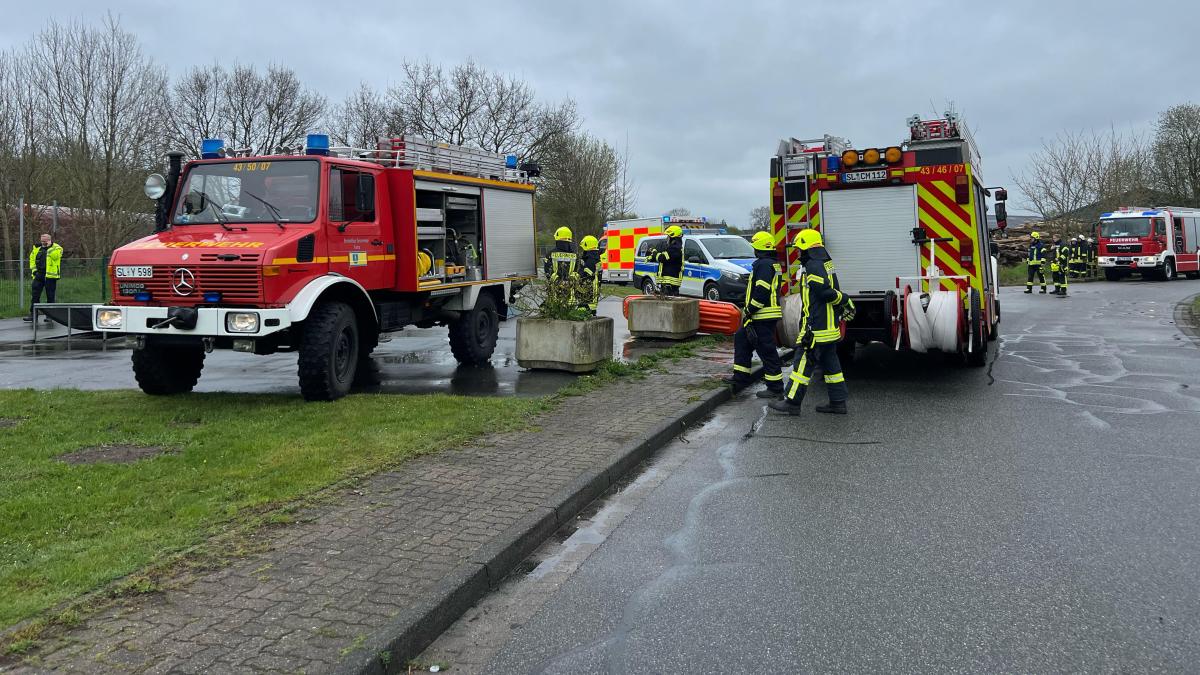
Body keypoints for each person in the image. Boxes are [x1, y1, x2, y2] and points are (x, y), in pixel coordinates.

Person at [769, 229, 853, 416]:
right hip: (829, 328)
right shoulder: (825, 263)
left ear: (807, 247)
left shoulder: (814, 266)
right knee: (832, 368)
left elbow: (823, 292)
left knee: (801, 365)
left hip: (816, 329)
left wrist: (845, 300)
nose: (798, 252)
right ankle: (838, 403)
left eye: (800, 248)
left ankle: (791, 402)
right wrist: (844, 303)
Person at [727, 231, 785, 397]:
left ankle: (775, 388)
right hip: (763, 315)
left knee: (766, 351)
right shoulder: (771, 263)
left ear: (759, 247)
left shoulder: (763, 264)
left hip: (762, 315)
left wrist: (750, 310)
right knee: (741, 339)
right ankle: (740, 378)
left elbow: (761, 292)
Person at [25, 233, 63, 323]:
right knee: (35, 296)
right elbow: (32, 260)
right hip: (39, 275)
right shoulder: (37, 249)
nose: (43, 243)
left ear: (49, 240)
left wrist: (49, 247)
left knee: (50, 296)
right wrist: (34, 271)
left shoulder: (57, 248)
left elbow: (55, 257)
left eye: (45, 241)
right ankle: (33, 315)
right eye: (42, 241)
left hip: (50, 276)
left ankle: (50, 316)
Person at [543, 226, 579, 306]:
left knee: (556, 315)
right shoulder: (575, 255)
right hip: (571, 294)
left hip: (555, 293)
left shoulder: (550, 254)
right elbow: (578, 272)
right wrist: (569, 282)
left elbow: (548, 272)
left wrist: (559, 282)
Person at [648, 225, 683, 296]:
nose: (667, 239)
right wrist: (652, 257)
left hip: (670, 285)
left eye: (668, 237)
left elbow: (662, 258)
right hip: (667, 283)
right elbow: (664, 258)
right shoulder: (673, 248)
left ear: (673, 238)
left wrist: (654, 252)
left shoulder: (675, 249)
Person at [577, 235, 602, 315]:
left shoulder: (590, 259)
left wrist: (577, 277)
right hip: (593, 289)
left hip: (588, 291)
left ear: (587, 246)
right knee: (591, 311)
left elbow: (586, 275)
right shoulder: (596, 257)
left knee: (583, 312)